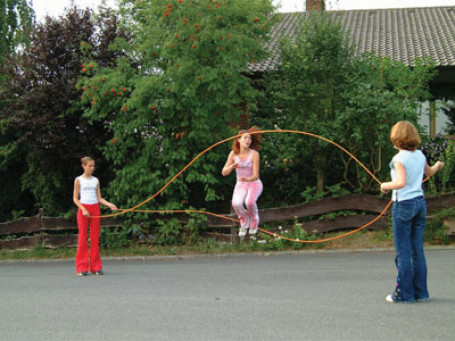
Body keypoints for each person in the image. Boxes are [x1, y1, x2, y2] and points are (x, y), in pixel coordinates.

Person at [380, 121, 444, 303]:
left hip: (404, 205)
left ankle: (404, 295)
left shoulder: (398, 159)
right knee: (417, 250)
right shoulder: (420, 155)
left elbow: (400, 183)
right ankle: (421, 293)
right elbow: (429, 172)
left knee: (403, 252)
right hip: (420, 204)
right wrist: (438, 166)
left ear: (397, 139)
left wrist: (385, 186)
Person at [73, 156, 117, 276]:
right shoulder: (78, 180)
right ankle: (82, 267)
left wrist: (109, 205)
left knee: (95, 238)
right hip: (83, 209)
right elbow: (75, 199)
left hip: (95, 209)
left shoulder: (95, 180)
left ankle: (96, 267)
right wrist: (83, 209)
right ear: (84, 166)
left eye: (93, 166)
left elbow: (99, 198)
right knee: (82, 238)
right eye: (89, 166)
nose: (92, 168)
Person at [222, 126, 263, 239]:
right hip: (241, 185)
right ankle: (244, 222)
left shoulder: (254, 154)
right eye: (245, 138)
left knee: (249, 202)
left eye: (249, 138)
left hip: (254, 183)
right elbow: (224, 172)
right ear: (238, 140)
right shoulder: (233, 154)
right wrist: (232, 166)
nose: (248, 140)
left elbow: (256, 175)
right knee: (236, 203)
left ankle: (254, 220)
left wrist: (248, 179)